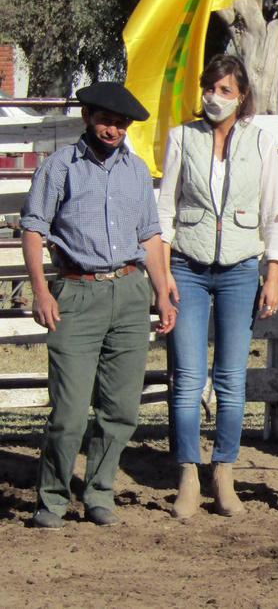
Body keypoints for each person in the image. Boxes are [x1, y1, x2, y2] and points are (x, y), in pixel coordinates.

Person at [21, 82, 176, 529]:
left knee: (121, 408)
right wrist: (41, 291)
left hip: (128, 292)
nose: (114, 130)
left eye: (121, 123)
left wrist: (161, 292)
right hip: (76, 292)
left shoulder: (136, 170)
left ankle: (99, 492)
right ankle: (52, 498)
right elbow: (33, 229)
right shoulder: (59, 167)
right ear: (87, 116)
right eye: (107, 120)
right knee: (69, 412)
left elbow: (149, 235)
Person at [157, 54, 278, 518]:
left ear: (242, 95)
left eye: (225, 90)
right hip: (187, 267)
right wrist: (163, 276)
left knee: (231, 379)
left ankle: (224, 471)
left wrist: (273, 272)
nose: (215, 97)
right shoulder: (182, 138)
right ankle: (188, 474)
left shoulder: (261, 142)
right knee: (188, 378)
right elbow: (165, 210)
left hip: (239, 268)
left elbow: (273, 211)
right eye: (210, 88)